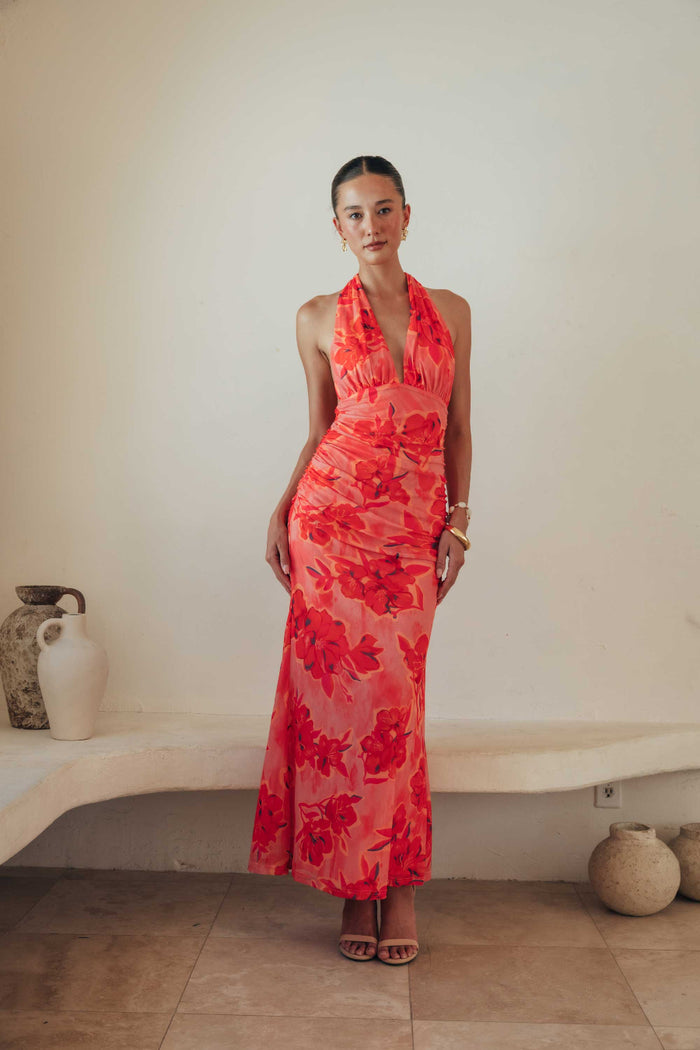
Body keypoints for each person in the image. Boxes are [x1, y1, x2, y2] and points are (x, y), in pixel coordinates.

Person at [248, 155, 472, 965]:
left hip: (411, 532)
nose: (371, 225)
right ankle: (354, 887)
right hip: (331, 526)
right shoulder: (313, 317)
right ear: (337, 227)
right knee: (343, 708)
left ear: (408, 216)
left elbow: (456, 429)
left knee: (397, 705)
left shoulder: (452, 311)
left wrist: (460, 523)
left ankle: (399, 885)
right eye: (354, 213)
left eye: (384, 209)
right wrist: (282, 507)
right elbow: (319, 431)